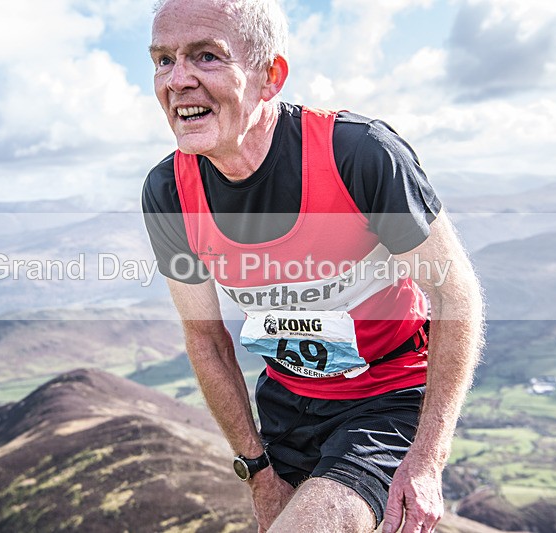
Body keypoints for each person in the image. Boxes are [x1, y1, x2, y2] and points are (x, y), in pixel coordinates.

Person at [141, 0, 484, 531]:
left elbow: (455, 296)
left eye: (206, 56)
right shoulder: (168, 192)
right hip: (285, 404)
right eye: (163, 60)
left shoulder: (359, 154)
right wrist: (256, 470)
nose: (177, 79)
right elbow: (206, 341)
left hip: (386, 398)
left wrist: (428, 460)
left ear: (269, 76)